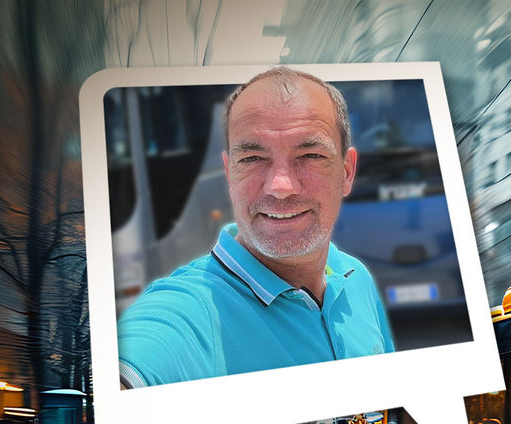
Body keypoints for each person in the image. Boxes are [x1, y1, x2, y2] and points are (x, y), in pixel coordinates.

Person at [118, 66, 394, 388]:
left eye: (310, 155)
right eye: (252, 159)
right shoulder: (191, 311)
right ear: (229, 173)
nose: (281, 185)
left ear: (346, 172)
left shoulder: (355, 278)